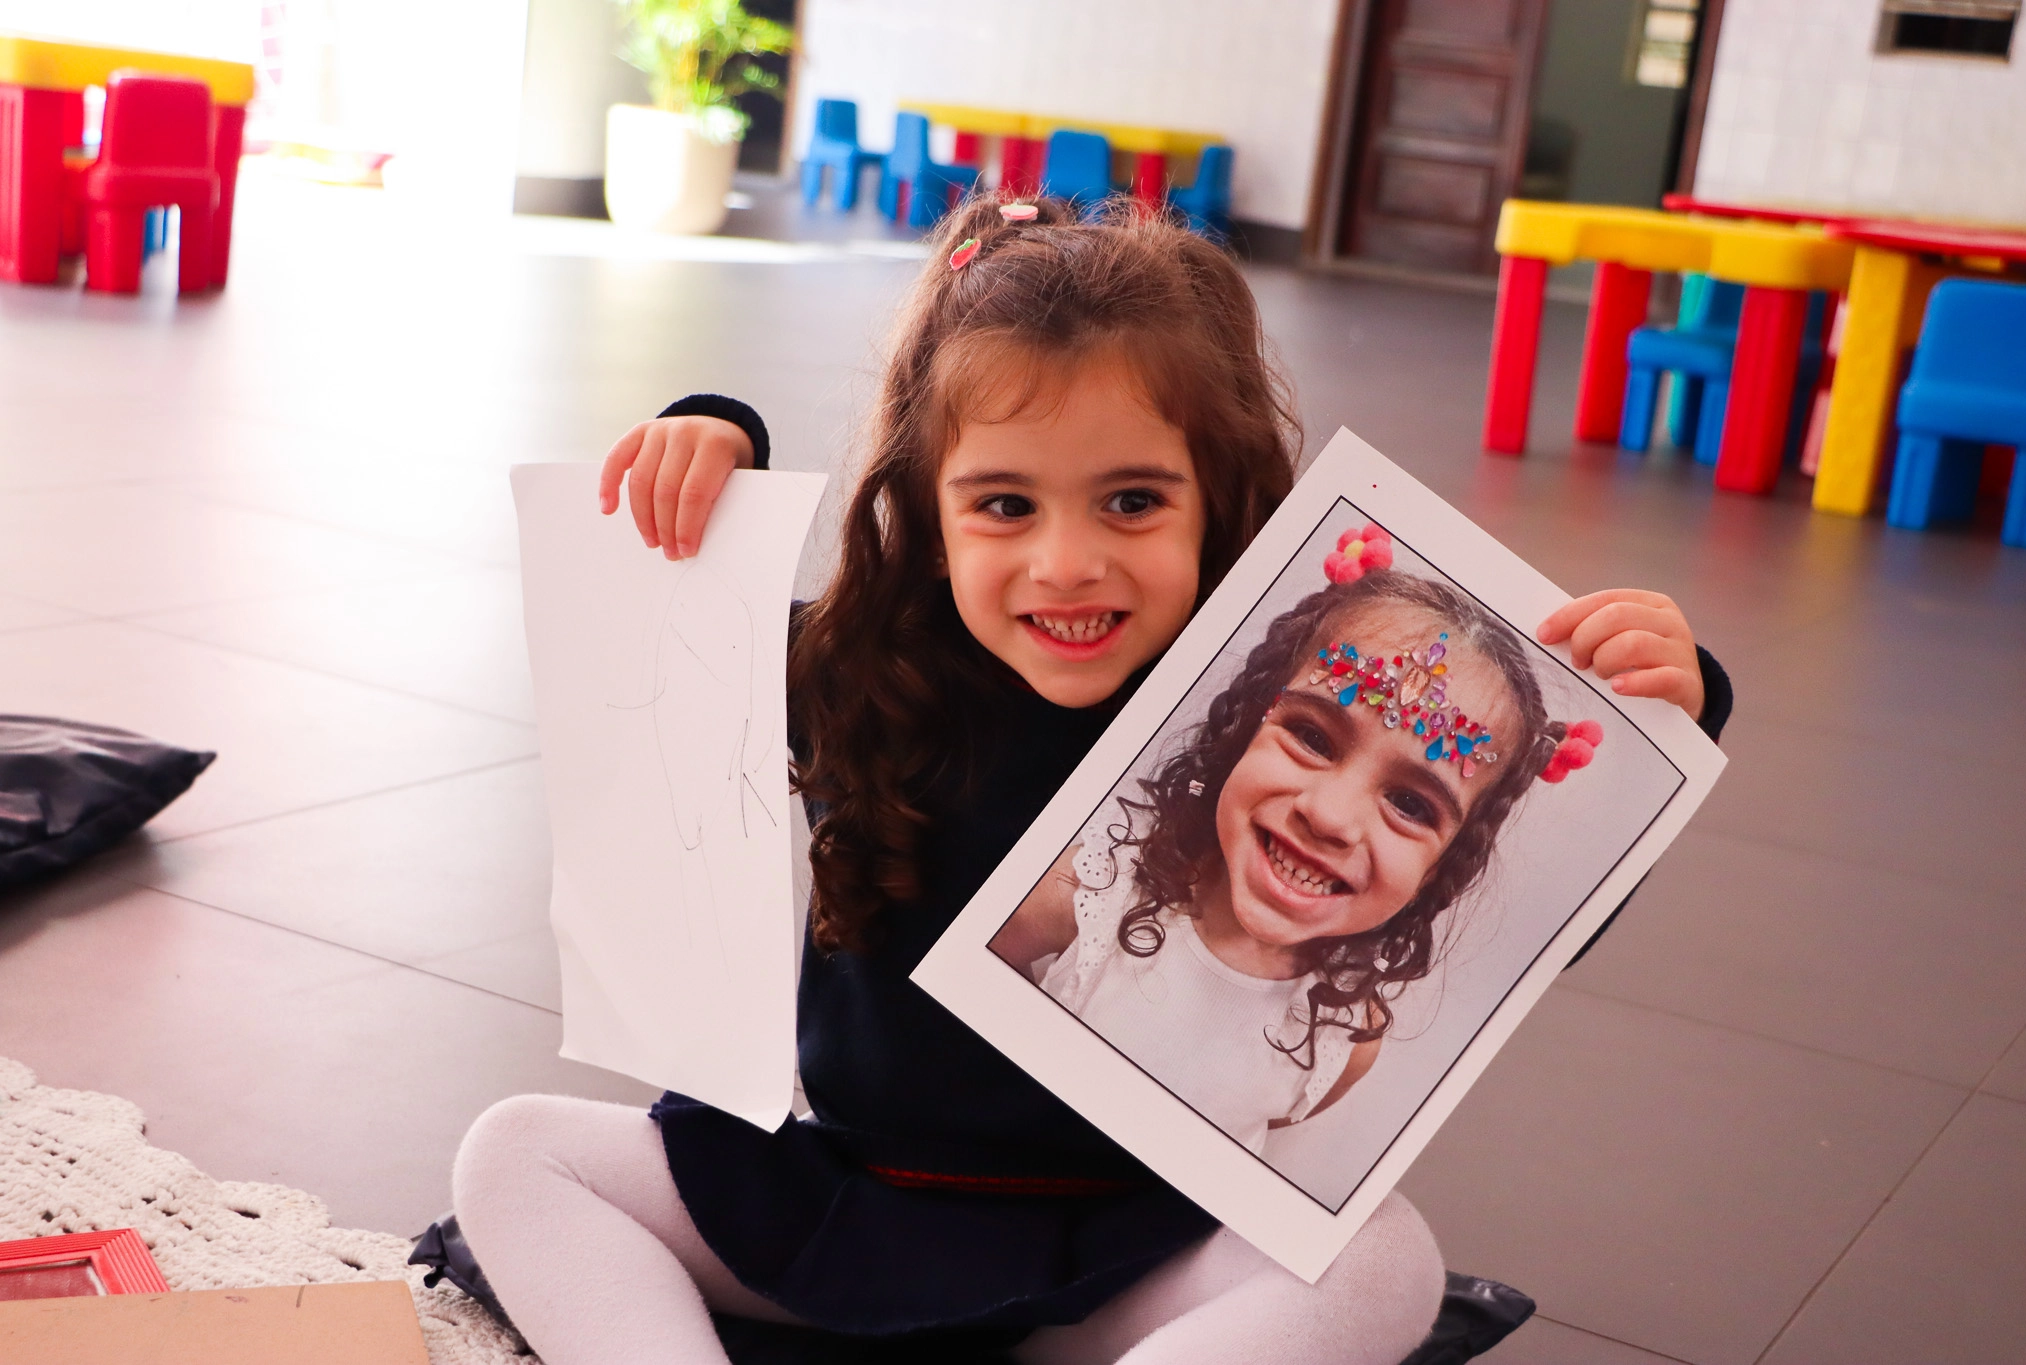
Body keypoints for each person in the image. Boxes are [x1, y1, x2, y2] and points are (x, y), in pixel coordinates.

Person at [448, 194, 1734, 1365]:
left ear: (1216, 502)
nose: (1066, 563)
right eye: (1003, 506)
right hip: (841, 1203)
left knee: (1378, 1260)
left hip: (1127, 1252)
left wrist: (1667, 709)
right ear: (925, 510)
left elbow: (1501, 925)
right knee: (517, 1151)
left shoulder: (1260, 719)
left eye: (1129, 502)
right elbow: (659, 633)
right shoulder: (856, 672)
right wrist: (711, 435)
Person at [994, 536, 1613, 1154]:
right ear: (1247, 731)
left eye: (1410, 805)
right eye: (1313, 739)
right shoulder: (1083, 892)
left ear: (1439, 868)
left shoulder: (1346, 1040)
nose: (1329, 817)